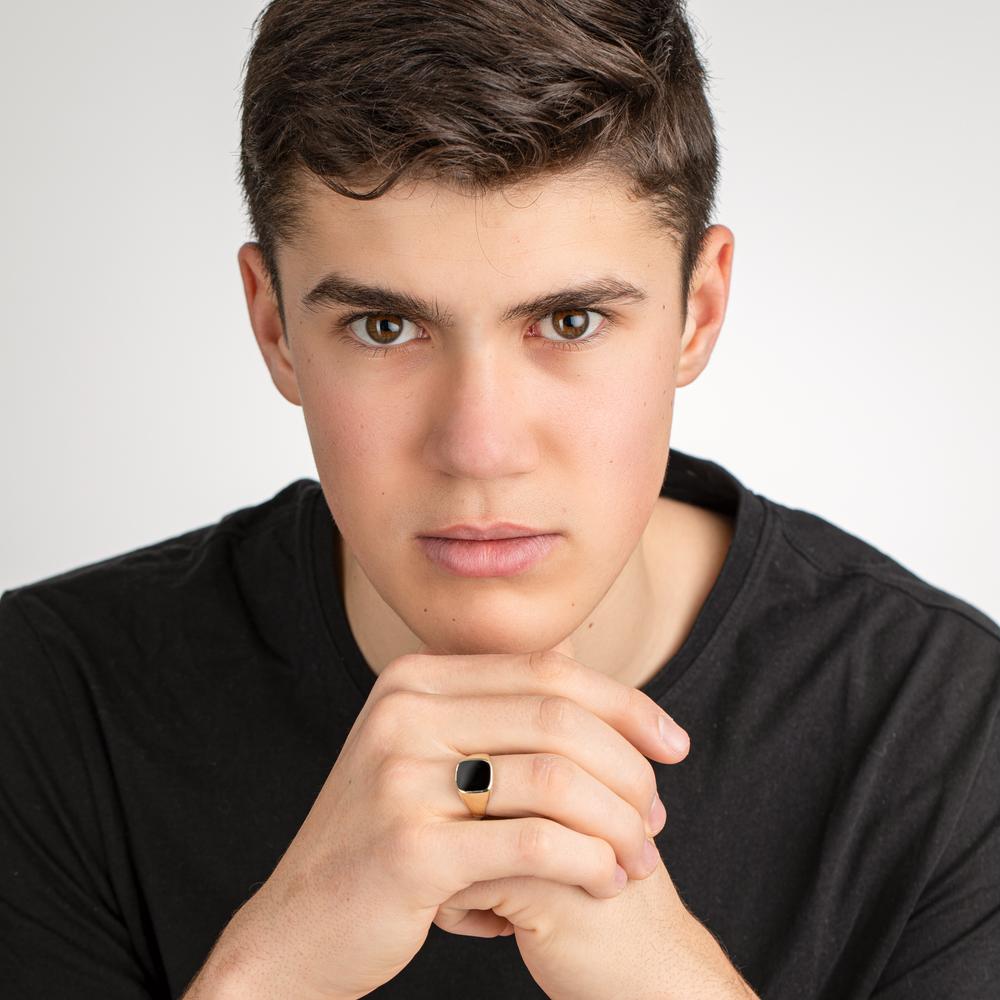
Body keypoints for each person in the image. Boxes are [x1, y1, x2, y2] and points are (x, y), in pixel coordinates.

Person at [1, 1, 997, 997]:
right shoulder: (43, 708)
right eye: (385, 328)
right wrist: (271, 973)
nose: (480, 449)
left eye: (570, 321)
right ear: (274, 327)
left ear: (697, 312)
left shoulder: (953, 735)